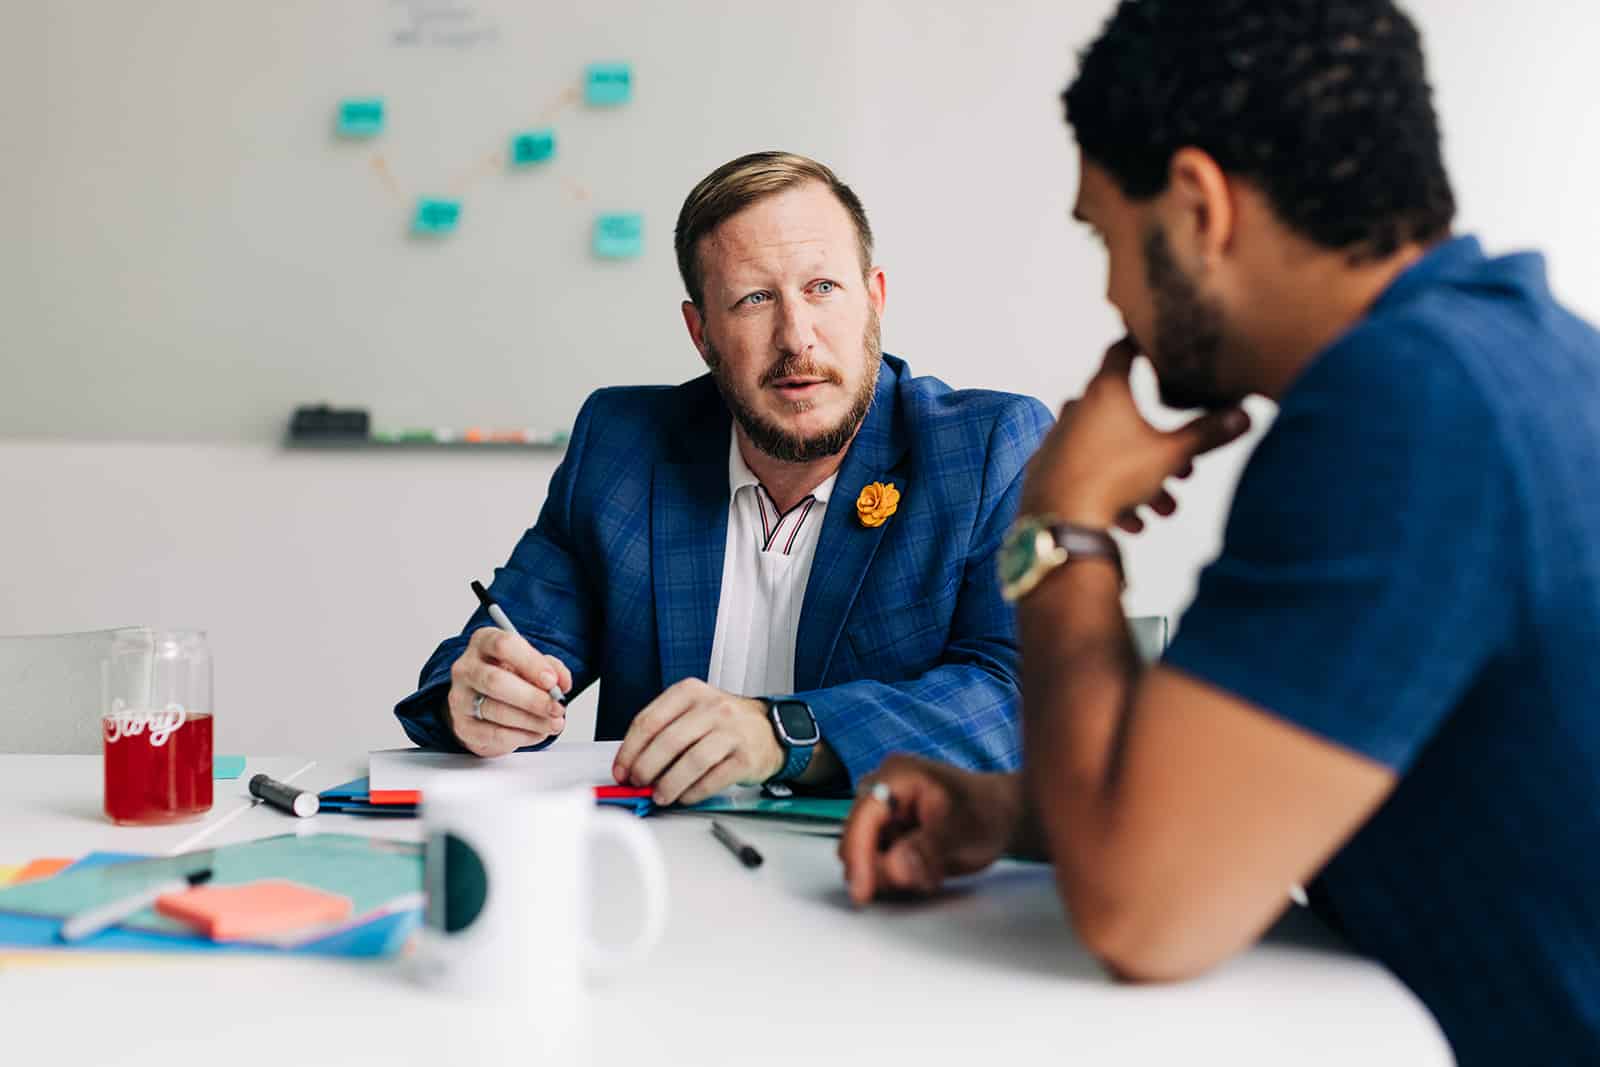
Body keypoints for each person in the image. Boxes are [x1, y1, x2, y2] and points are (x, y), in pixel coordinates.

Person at [837, 3, 1600, 1063]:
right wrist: (1006, 813)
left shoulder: (1407, 408)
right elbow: (1236, 790)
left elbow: (1142, 910)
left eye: (1104, 234)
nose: (1108, 290)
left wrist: (1060, 525)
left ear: (1196, 205)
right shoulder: (1515, 356)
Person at [396, 151, 1052, 806]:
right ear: (701, 331)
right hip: (658, 882)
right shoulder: (625, 448)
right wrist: (479, 698)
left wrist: (782, 734)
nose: (797, 337)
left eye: (822, 287)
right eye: (754, 298)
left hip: (869, 883)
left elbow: (1020, 697)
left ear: (874, 299)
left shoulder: (987, 449)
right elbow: (488, 662)